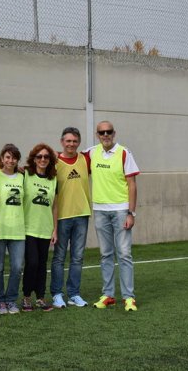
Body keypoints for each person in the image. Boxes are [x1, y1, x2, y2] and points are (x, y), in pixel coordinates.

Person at [87, 121, 140, 311]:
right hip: (100, 210)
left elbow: (132, 184)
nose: (105, 135)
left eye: (109, 132)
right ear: (97, 134)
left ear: (114, 133)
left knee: (124, 254)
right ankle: (108, 294)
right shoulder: (91, 153)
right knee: (105, 254)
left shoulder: (124, 152)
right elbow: (69, 161)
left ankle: (128, 297)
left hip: (120, 211)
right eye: (102, 132)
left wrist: (131, 213)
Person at [50, 127, 91, 308]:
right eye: (68, 141)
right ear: (61, 142)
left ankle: (74, 294)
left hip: (82, 214)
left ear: (79, 143)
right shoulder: (54, 162)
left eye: (74, 141)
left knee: (77, 257)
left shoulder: (85, 159)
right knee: (59, 257)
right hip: (62, 217)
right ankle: (57, 294)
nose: (71, 144)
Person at [21, 143, 58, 312]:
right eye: (39, 156)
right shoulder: (25, 175)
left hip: (45, 228)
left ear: (50, 160)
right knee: (32, 263)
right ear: (34, 159)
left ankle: (41, 298)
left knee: (42, 264)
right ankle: (27, 297)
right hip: (28, 228)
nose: (43, 159)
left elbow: (55, 206)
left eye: (46, 157)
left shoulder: (53, 179)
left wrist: (54, 229)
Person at [0, 144, 25, 315]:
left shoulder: (22, 177)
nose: (10, 160)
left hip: (18, 230)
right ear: (2, 158)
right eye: (7, 157)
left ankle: (11, 300)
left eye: (14, 157)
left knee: (17, 267)